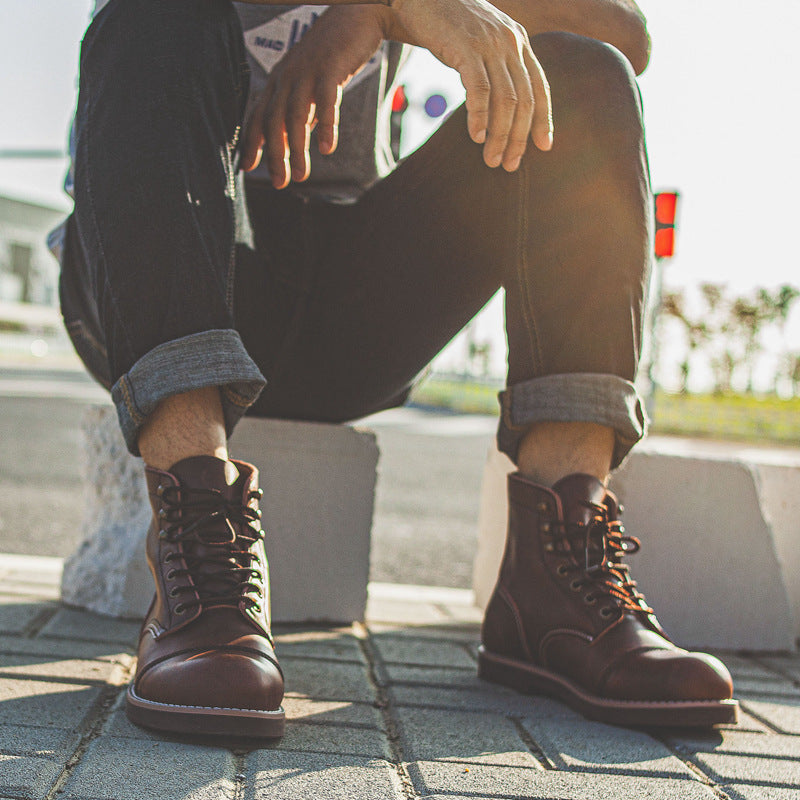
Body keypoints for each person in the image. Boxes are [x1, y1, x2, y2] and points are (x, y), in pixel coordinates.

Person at [52, 0, 738, 738]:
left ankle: (556, 569)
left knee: (581, 72)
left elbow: (626, 32)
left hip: (346, 298)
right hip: (162, 275)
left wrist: (388, 13)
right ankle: (199, 552)